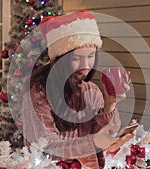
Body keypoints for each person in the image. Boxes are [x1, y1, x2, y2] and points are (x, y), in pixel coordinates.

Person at [22, 10, 133, 169]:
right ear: (59, 60)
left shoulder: (91, 90)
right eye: (76, 58)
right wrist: (93, 142)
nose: (86, 65)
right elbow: (46, 149)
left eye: (91, 56)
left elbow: (105, 134)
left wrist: (111, 103)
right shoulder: (38, 95)